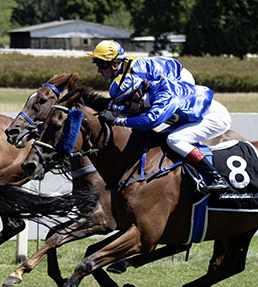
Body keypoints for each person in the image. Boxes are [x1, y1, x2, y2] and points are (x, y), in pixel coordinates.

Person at [101, 69, 232, 194]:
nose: (126, 108)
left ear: (136, 95)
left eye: (127, 104)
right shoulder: (142, 97)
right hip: (193, 118)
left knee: (174, 140)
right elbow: (130, 111)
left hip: (214, 117)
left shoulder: (164, 94)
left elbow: (151, 120)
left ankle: (216, 177)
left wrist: (118, 121)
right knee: (161, 138)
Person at [87, 39, 196, 86]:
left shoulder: (136, 70)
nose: (98, 70)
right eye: (97, 64)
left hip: (180, 78)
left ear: (115, 64)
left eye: (102, 65)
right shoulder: (115, 78)